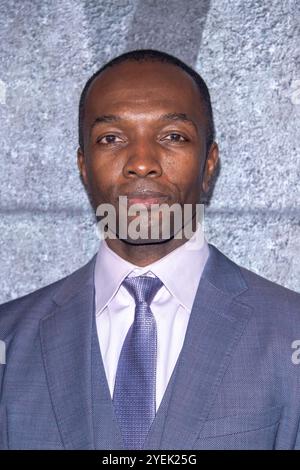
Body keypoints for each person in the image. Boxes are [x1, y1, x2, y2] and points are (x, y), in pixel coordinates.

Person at [0, 49, 300, 450]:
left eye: (172, 136)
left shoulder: (290, 331)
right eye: (111, 138)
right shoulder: (10, 339)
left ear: (209, 163)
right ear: (83, 165)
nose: (142, 163)